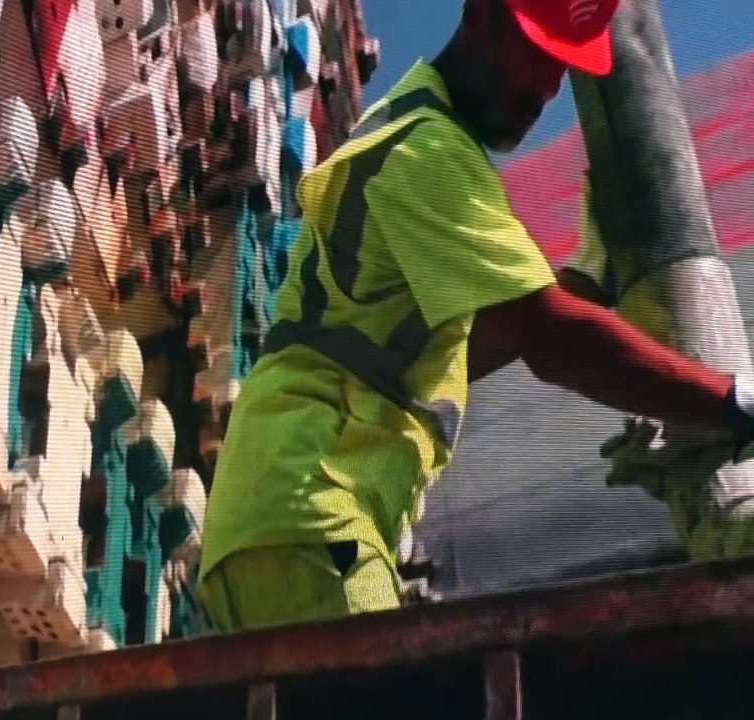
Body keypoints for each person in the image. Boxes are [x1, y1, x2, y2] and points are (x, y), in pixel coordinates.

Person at [198, 0, 754, 634]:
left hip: (276, 521)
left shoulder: (408, 125)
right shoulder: (428, 152)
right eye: (540, 52)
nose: (547, 88)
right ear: (482, 14)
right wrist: (730, 403)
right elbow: (553, 342)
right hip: (314, 515)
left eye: (563, 65)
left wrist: (583, 278)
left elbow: (468, 351)